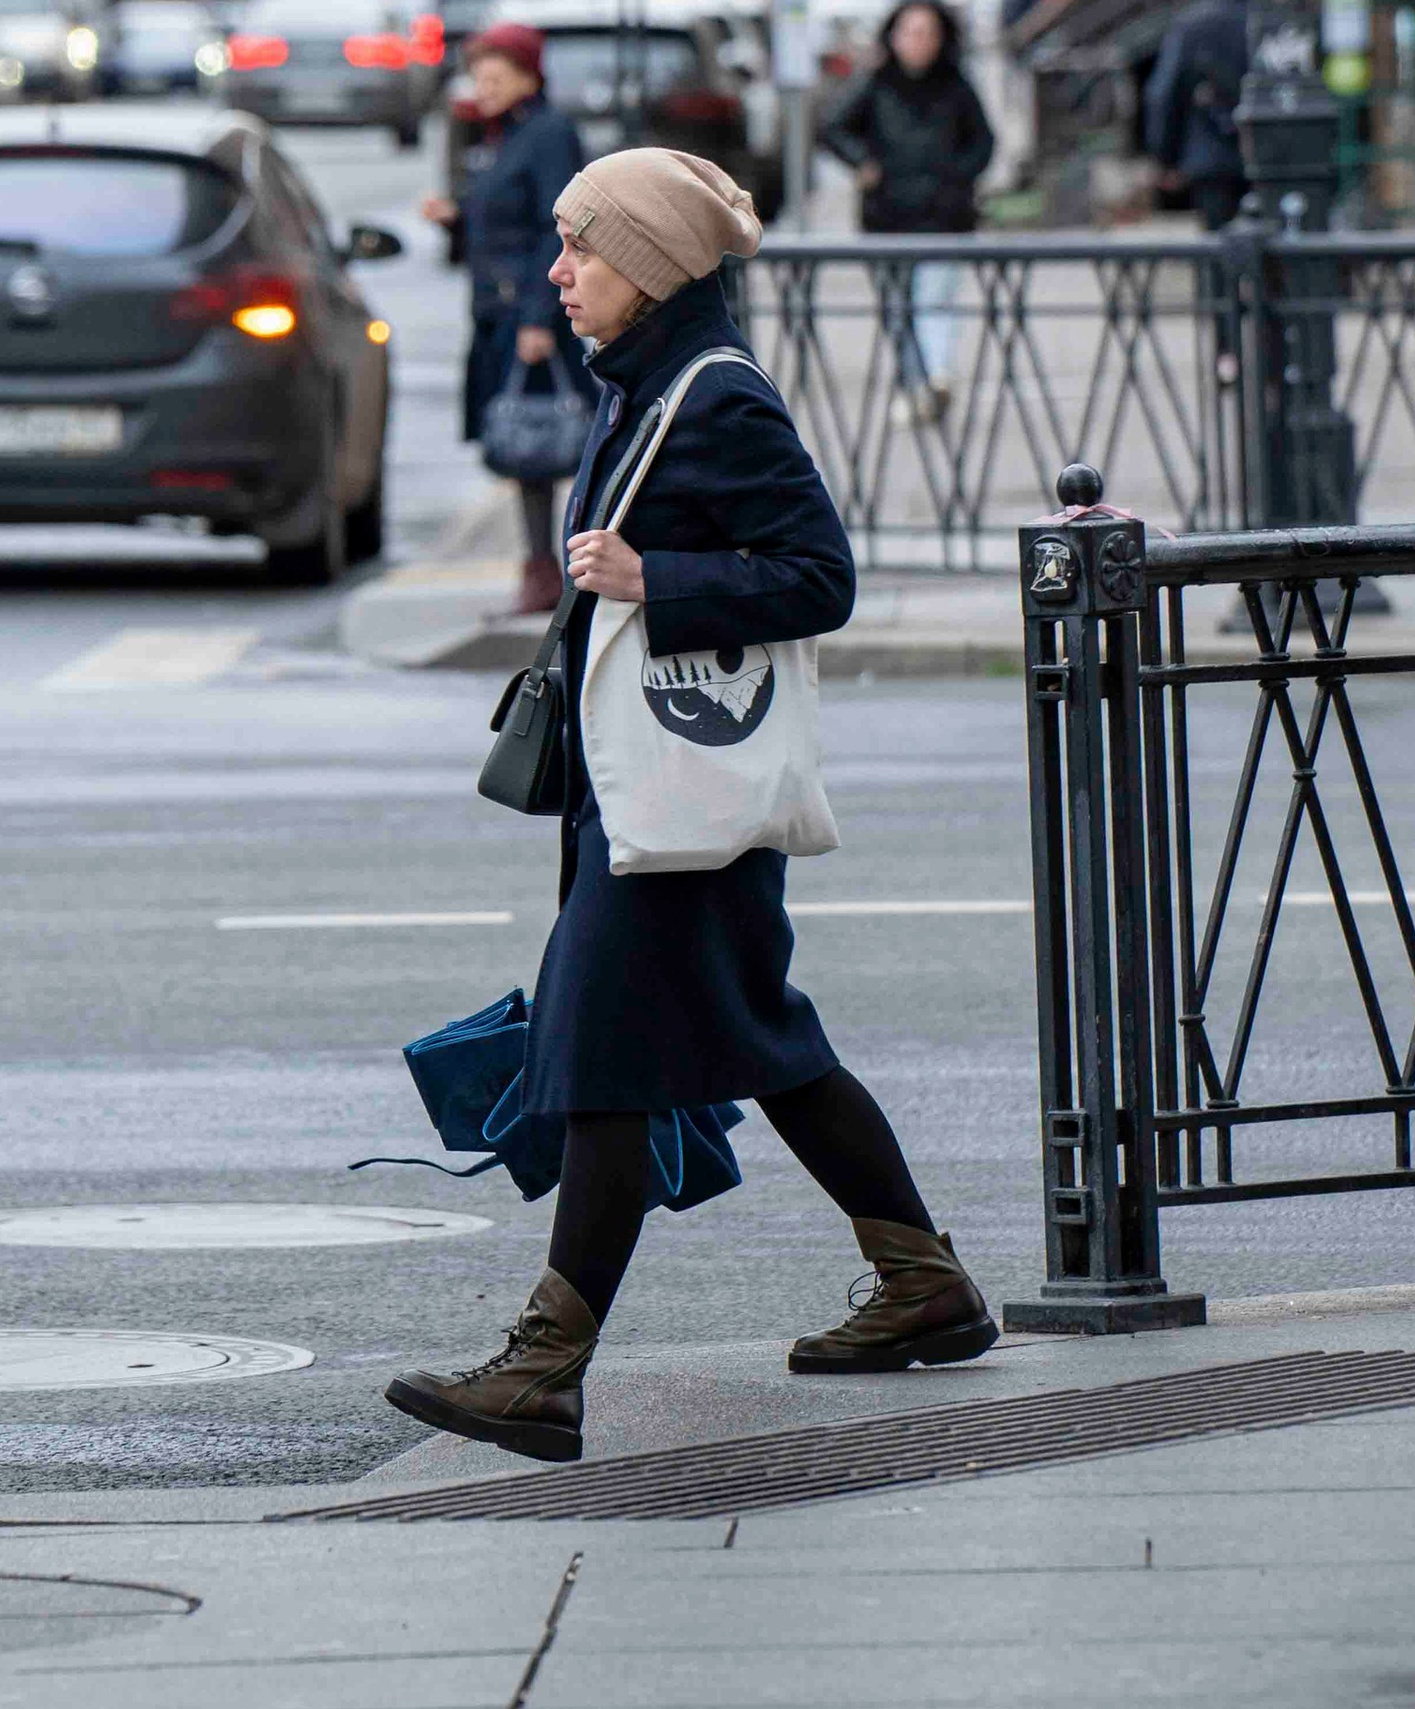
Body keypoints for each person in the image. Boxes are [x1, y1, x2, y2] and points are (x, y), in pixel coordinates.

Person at [385, 145, 996, 1465]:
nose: (558, 272)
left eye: (582, 250)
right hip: (653, 787)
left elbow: (817, 575)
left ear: (651, 266)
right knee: (757, 1038)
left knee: (607, 1050)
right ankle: (922, 1280)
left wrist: (661, 574)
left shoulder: (713, 399)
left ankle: (545, 1367)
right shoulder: (644, 383)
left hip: (683, 793)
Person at [425, 24, 587, 617]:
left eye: (494, 78)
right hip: (500, 311)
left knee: (555, 440)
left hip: (530, 315)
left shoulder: (548, 134)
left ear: (527, 77)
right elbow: (504, 215)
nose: (482, 88)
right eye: (478, 77)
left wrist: (539, 319)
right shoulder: (504, 135)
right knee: (530, 450)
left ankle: (572, 569)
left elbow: (555, 227)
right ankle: (543, 570)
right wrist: (457, 217)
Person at [819, 0, 997, 419]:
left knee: (935, 299)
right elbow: (832, 128)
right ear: (894, 36)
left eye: (928, 33)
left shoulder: (956, 85)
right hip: (887, 217)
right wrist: (862, 163)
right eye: (911, 32)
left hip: (943, 216)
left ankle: (936, 377)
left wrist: (958, 176)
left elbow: (984, 143)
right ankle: (916, 386)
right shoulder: (874, 83)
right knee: (898, 308)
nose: (920, 42)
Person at [1145, 0, 1251, 233]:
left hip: (1209, 156)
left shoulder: (1191, 24)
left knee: (1217, 251)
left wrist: (1164, 155)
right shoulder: (1264, 20)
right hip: (1262, 153)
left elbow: (1164, 93)